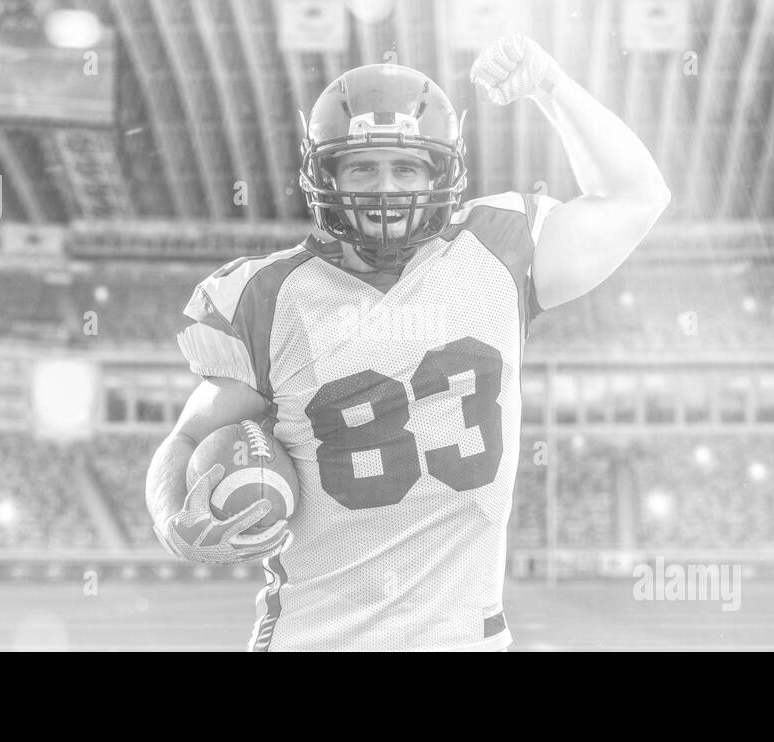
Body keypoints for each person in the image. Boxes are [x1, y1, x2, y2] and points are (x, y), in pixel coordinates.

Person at [146, 33, 670, 651]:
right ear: (326, 173)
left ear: (441, 173)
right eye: (362, 167)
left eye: (406, 167)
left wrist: (552, 85)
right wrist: (170, 516)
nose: (386, 189)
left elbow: (638, 195)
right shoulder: (265, 298)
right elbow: (184, 438)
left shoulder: (497, 251)